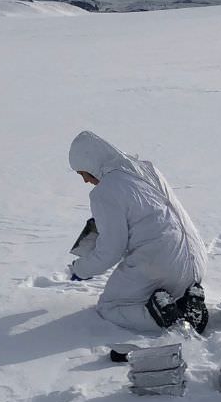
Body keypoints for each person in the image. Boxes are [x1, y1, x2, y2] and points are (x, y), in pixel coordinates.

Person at [66, 131, 209, 332]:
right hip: (196, 261)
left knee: (110, 307)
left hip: (161, 263)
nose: (85, 181)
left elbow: (111, 250)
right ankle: (188, 299)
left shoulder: (106, 191)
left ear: (90, 164)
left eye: (82, 173)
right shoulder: (147, 169)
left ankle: (177, 320)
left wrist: (81, 270)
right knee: (160, 287)